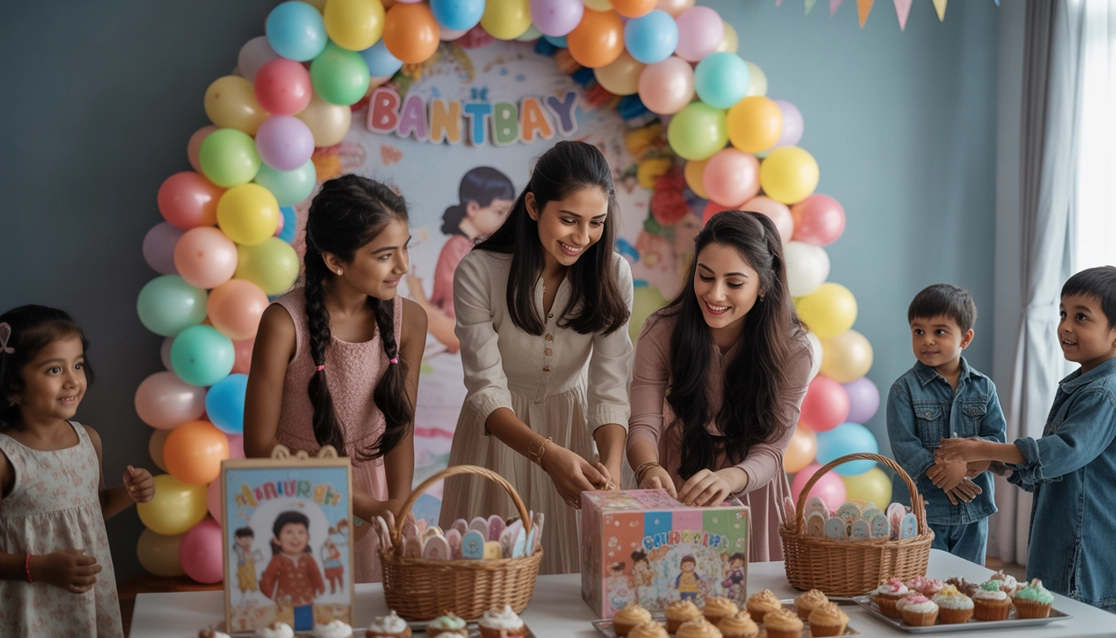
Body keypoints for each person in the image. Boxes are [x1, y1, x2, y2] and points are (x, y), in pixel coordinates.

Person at [439, 141, 634, 574]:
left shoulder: (614, 274)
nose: (582, 238)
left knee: (575, 582)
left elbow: (609, 385)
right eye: (568, 219)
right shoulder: (478, 272)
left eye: (596, 223)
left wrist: (613, 473)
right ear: (532, 205)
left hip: (577, 431)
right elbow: (487, 390)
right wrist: (547, 455)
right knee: (492, 582)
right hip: (498, 437)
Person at [244, 175, 427, 583]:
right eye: (384, 255)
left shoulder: (409, 320)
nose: (403, 266)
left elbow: (401, 428)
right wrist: (361, 504)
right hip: (298, 492)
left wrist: (396, 505)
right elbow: (258, 445)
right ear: (335, 261)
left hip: (377, 490)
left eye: (404, 248)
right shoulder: (283, 323)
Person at [626, 210, 812, 562]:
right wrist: (648, 468)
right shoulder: (662, 331)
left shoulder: (794, 350)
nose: (715, 294)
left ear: (764, 285)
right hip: (676, 476)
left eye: (734, 283)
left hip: (749, 484)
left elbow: (772, 451)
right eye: (705, 276)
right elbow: (643, 423)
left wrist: (731, 478)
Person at [936, 266, 1116, 611]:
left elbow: (1062, 453)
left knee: (1074, 619)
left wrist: (986, 447)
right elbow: (1052, 471)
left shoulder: (1103, 393)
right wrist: (992, 462)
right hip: (1063, 538)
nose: (1065, 325)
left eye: (1082, 317)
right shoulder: (1080, 386)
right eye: (1063, 313)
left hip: (1086, 552)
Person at [0, 305, 155, 636]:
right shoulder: (5, 458)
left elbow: (91, 510)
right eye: (54, 370)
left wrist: (128, 494)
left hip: (86, 601)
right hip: (29, 607)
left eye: (78, 365)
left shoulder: (88, 440)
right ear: (13, 384)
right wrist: (38, 568)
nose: (73, 380)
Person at [885, 284, 1006, 564]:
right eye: (918, 331)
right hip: (922, 509)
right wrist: (940, 472)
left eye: (939, 331)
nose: (927, 340)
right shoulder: (904, 389)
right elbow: (904, 444)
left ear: (965, 338)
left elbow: (996, 439)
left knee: (968, 580)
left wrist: (967, 466)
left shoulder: (984, 388)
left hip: (973, 508)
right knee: (923, 578)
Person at [407, 166, 515, 353]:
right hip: (457, 332)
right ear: (473, 208)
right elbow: (452, 299)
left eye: (508, 213)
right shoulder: (458, 247)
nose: (505, 220)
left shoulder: (474, 247)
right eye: (499, 212)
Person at [259, 511, 325, 631]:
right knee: (285, 628)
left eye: (300, 532)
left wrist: (320, 587)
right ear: (277, 539)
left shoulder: (308, 559)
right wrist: (270, 594)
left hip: (306, 600)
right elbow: (268, 579)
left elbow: (316, 575)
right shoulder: (277, 560)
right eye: (289, 532)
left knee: (306, 626)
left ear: (308, 537)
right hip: (284, 602)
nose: (296, 537)